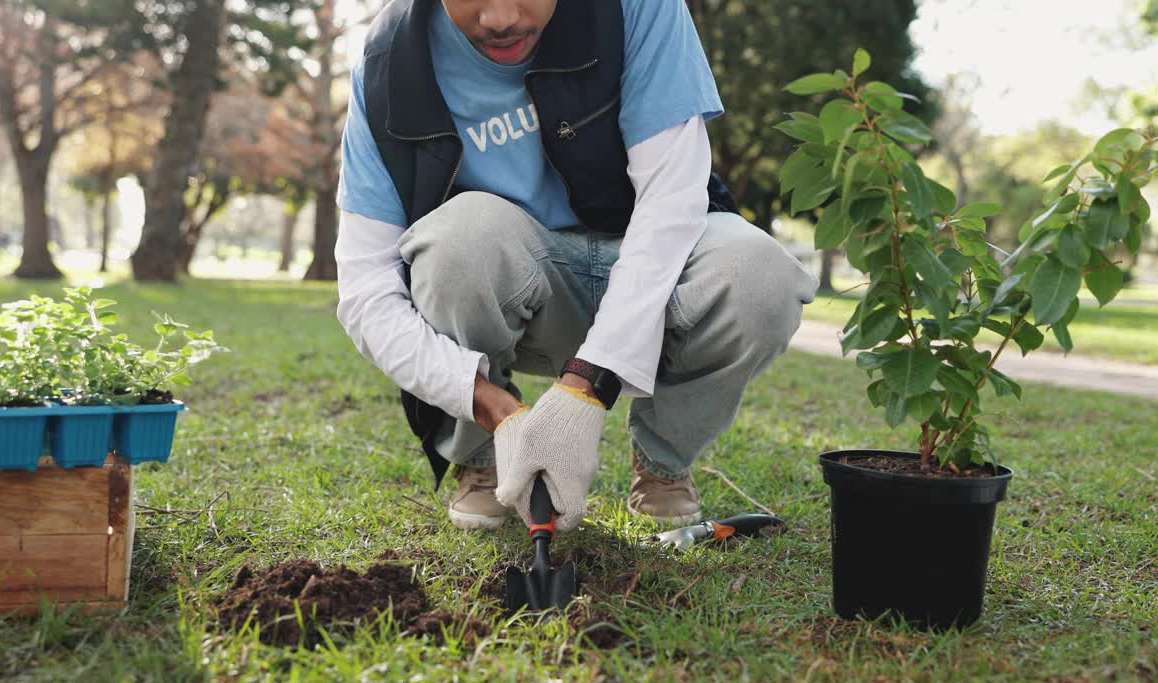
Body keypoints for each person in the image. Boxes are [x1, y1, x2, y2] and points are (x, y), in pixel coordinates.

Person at [336, 0, 817, 533]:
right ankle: (482, 460)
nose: (500, 19)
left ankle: (663, 464)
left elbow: (671, 201)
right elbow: (366, 293)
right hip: (519, 284)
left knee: (762, 276)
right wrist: (495, 410)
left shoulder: (639, 8)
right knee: (457, 236)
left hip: (650, 267)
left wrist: (585, 389)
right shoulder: (388, 67)